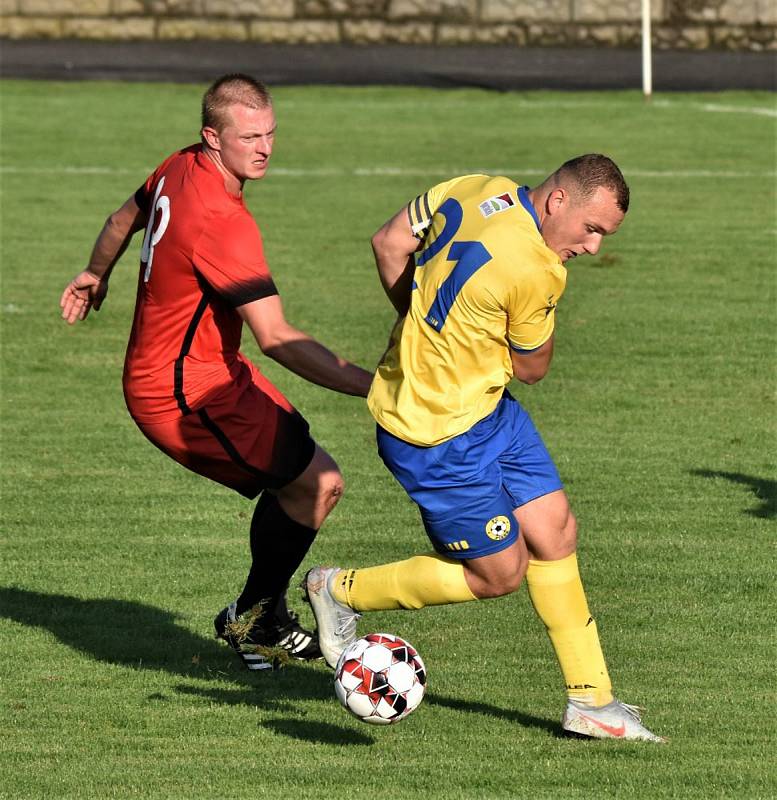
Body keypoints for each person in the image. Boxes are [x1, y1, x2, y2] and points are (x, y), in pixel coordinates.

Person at [306, 155, 664, 741]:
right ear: (558, 202)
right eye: (591, 229)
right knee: (499, 575)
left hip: (487, 411)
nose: (593, 247)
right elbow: (533, 368)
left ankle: (592, 703)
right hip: (435, 435)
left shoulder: (478, 188)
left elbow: (389, 241)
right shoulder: (537, 269)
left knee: (557, 532)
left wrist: (421, 323)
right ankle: (338, 589)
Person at [60, 74, 373, 671]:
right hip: (182, 397)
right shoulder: (221, 222)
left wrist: (95, 272)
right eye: (248, 136)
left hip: (214, 372)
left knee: (307, 480)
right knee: (317, 483)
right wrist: (375, 386)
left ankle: (261, 613)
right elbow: (278, 337)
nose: (264, 148)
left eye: (270, 133)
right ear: (213, 137)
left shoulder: (179, 166)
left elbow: (122, 215)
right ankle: (254, 620)